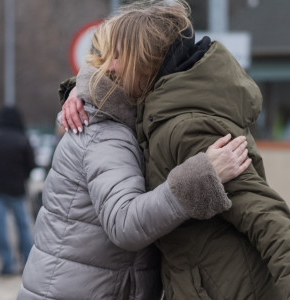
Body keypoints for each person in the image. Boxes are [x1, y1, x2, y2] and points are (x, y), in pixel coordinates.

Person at [59, 1, 290, 299]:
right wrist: (79, 91)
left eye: (119, 56)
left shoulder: (187, 127)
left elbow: (266, 216)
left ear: (146, 61)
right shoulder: (158, 113)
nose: (111, 66)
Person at [17, 28, 251, 300]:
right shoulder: (107, 134)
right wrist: (202, 177)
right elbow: (125, 223)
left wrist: (80, 89)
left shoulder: (120, 122)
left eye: (119, 55)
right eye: (110, 56)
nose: (112, 65)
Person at [0, 106, 35, 275]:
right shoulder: (22, 139)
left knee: (0, 227)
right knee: (23, 227)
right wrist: (21, 177)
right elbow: (31, 165)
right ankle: (27, 261)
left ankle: (7, 264)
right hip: (17, 189)